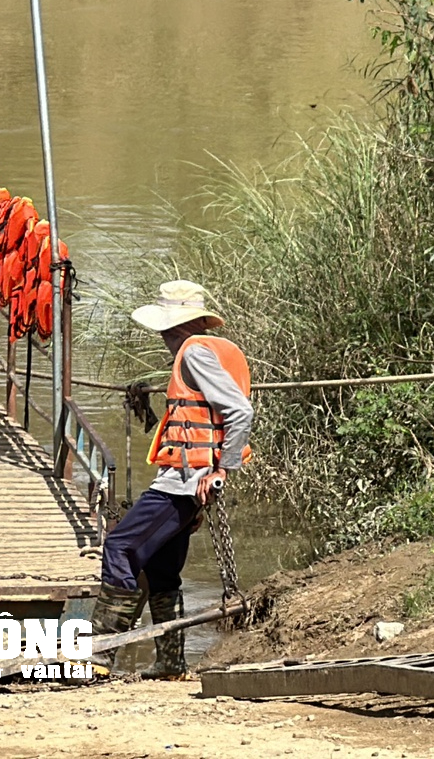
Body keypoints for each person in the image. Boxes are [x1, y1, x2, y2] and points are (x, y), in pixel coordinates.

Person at [93, 280, 254, 679]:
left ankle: (96, 656)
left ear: (175, 327)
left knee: (120, 547)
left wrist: (221, 470)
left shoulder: (195, 352)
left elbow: (240, 412)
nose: (162, 336)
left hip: (185, 484)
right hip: (188, 483)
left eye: (164, 329)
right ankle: (169, 663)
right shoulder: (204, 350)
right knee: (163, 570)